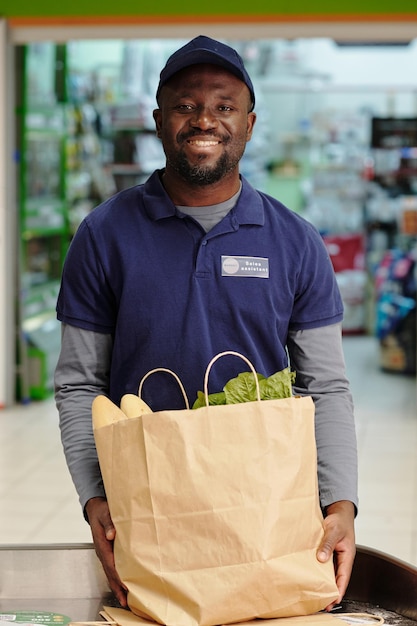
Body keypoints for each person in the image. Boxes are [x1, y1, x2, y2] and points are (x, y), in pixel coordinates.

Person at [55, 35, 358, 612]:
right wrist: (96, 499)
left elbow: (326, 384)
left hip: (266, 506)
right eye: (186, 105)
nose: (204, 120)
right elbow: (78, 384)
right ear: (159, 119)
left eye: (223, 106)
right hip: (149, 504)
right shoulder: (103, 234)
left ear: (248, 122)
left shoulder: (295, 241)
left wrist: (340, 502)